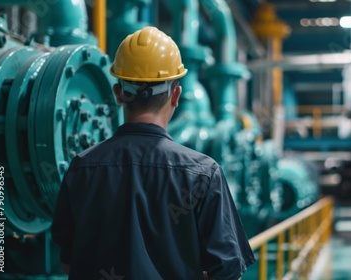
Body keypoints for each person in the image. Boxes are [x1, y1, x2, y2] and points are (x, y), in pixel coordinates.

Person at [51, 26, 255, 280]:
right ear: (176, 95)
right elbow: (227, 269)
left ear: (118, 94)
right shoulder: (203, 174)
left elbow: (68, 262)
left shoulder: (81, 168)